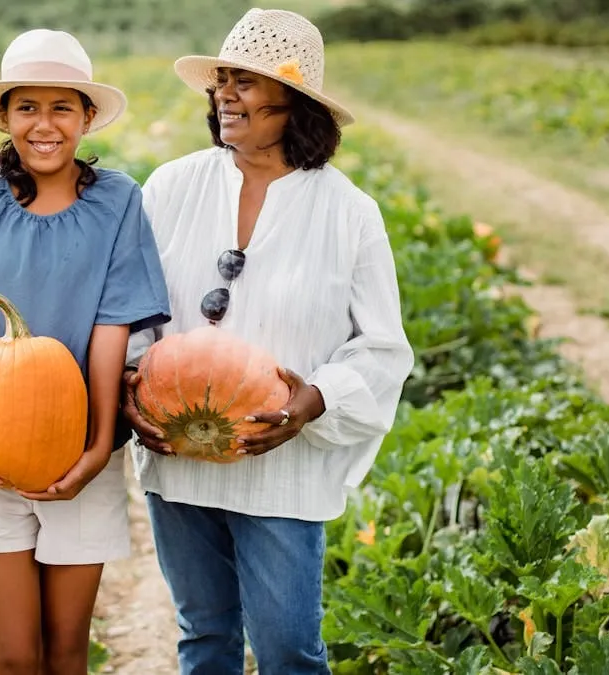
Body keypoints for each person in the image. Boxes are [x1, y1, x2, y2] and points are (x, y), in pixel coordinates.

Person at [120, 8, 414, 675]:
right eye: (221, 80)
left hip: (282, 467)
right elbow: (131, 310)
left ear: (296, 104)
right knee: (205, 637)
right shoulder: (170, 187)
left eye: (246, 82)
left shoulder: (349, 213)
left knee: (288, 650)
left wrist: (312, 400)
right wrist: (130, 385)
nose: (226, 93)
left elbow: (382, 349)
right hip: (180, 452)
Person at [0, 29, 170, 675]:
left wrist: (99, 442)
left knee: (65, 647)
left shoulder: (118, 200)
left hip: (78, 450)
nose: (44, 125)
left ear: (86, 117)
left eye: (61, 108)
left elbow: (112, 330)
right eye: (27, 107)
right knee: (15, 654)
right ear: (4, 115)